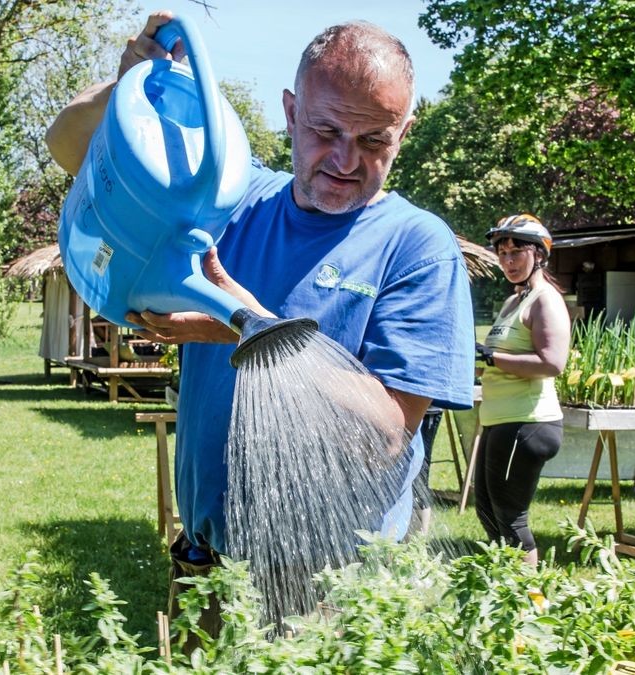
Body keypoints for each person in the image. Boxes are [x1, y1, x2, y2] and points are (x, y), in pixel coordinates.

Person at [46, 11, 474, 627]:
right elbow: (68, 148)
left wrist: (243, 323)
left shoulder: (417, 245)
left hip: (325, 585)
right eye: (326, 130)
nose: (346, 160)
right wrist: (128, 90)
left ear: (404, 130)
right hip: (204, 563)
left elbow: (386, 433)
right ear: (291, 111)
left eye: (374, 140)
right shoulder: (232, 196)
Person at [473, 214, 570, 566]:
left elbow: (552, 362)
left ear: (539, 255)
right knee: (486, 511)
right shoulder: (512, 302)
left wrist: (493, 358)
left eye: (517, 253)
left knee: (511, 519)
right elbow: (497, 357)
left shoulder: (545, 300)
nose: (509, 262)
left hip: (527, 421)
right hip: (500, 420)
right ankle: (507, 590)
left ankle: (530, 605)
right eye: (502, 254)